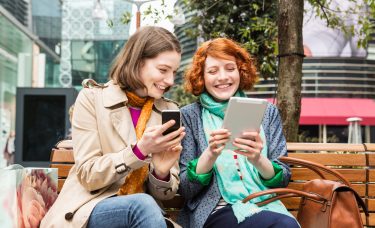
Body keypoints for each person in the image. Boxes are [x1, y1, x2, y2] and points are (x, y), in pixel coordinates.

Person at [41, 26, 185, 228]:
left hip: (145, 216)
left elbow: (166, 195)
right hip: (90, 208)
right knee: (142, 205)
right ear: (137, 62)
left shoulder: (169, 111)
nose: (170, 81)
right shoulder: (92, 99)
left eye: (174, 72)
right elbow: (88, 175)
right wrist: (139, 151)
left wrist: (160, 173)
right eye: (163, 70)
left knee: (145, 205)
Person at [178, 38, 299, 228]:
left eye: (230, 68)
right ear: (201, 76)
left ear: (240, 71)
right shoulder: (189, 116)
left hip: (265, 205)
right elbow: (186, 189)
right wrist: (210, 155)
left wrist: (257, 158)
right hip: (215, 211)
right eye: (212, 71)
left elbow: (283, 177)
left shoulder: (267, 112)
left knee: (283, 225)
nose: (223, 77)